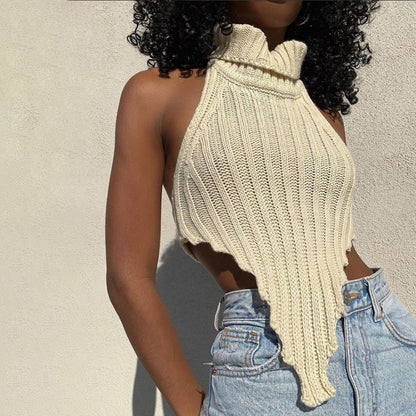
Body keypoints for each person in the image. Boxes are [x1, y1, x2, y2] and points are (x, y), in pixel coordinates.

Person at [105, 1, 416, 415]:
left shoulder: (322, 111)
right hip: (265, 366)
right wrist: (188, 406)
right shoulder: (155, 95)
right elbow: (128, 278)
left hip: (388, 339)